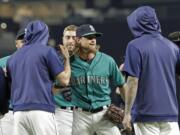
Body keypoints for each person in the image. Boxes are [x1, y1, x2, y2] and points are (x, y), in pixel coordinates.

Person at [122, 6, 180, 135]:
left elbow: (132, 82)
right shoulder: (172, 47)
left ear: (136, 23)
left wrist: (127, 113)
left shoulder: (134, 46)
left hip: (145, 115)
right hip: (171, 116)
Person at [7, 20, 71, 135]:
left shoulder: (13, 58)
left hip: (18, 113)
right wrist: (67, 59)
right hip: (41, 111)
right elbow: (65, 80)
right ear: (45, 34)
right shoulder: (47, 51)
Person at [71, 24, 127, 135]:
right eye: (89, 37)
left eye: (94, 37)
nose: (93, 40)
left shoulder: (107, 61)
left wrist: (128, 110)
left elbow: (122, 85)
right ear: (78, 39)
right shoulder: (70, 63)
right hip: (80, 116)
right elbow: (58, 86)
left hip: (104, 114)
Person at [0, 27, 25, 135]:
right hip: (9, 112)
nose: (25, 44)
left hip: (31, 112)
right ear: (16, 44)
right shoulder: (3, 62)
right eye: (23, 41)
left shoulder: (40, 64)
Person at [53, 25, 77, 135]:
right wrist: (60, 87)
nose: (70, 41)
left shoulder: (87, 59)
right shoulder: (53, 59)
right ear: (62, 39)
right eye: (67, 37)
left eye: (73, 37)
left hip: (83, 112)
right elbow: (47, 88)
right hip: (60, 112)